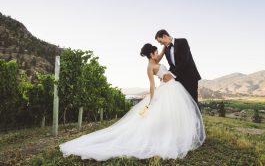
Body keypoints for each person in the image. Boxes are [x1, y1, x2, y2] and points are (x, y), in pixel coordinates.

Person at [59, 44, 205, 161]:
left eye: (156, 52)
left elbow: (160, 56)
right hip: (167, 89)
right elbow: (152, 86)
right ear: (150, 55)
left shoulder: (156, 61)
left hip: (173, 87)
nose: (157, 55)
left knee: (175, 113)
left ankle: (177, 134)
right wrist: (151, 100)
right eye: (154, 53)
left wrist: (163, 47)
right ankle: (169, 137)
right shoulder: (150, 67)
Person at [155, 29, 201, 106]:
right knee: (184, 104)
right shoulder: (166, 49)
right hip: (178, 80)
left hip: (190, 77)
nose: (160, 44)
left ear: (164, 36)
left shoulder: (183, 41)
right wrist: (165, 75)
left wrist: (171, 75)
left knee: (193, 102)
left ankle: (197, 118)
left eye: (160, 41)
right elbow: (172, 66)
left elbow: (184, 60)